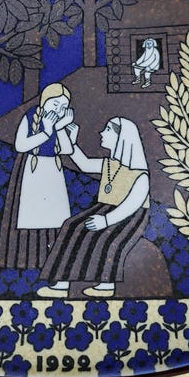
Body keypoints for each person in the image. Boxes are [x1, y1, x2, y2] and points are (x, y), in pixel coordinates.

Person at [37, 117, 151, 298]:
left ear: (121, 138)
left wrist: (106, 221)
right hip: (103, 209)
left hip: (129, 217)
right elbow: (84, 164)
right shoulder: (109, 165)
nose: (102, 133)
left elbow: (132, 205)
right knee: (71, 225)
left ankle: (106, 285)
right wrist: (72, 142)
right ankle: (61, 283)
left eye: (108, 130)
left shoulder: (141, 175)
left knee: (105, 238)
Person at [0, 83, 74, 270]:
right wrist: (47, 131)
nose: (58, 110)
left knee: (55, 216)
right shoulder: (31, 115)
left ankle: (53, 262)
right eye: (55, 104)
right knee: (31, 215)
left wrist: (60, 127)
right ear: (44, 100)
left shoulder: (59, 123)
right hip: (33, 169)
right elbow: (21, 145)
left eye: (63, 107)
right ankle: (27, 260)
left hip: (53, 172)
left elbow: (67, 149)